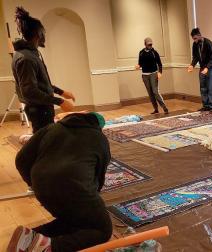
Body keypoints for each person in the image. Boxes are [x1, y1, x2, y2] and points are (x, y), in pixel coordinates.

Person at [8, 112, 112, 252]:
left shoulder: (50, 129)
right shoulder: (99, 138)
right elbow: (99, 177)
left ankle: (29, 237)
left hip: (42, 188)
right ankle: (50, 248)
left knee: (74, 219)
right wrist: (90, 199)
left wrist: (33, 183)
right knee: (102, 229)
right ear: (98, 127)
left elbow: (21, 160)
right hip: (75, 189)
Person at [12, 7, 75, 133]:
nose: (44, 35)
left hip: (42, 108)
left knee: (46, 141)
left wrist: (61, 92)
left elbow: (40, 83)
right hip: (39, 110)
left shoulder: (30, 54)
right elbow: (30, 91)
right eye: (43, 32)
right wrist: (60, 102)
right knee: (45, 143)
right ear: (38, 34)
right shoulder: (26, 58)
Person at [187, 28, 212, 113]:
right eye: (193, 39)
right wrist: (192, 65)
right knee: (203, 87)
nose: (195, 40)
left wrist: (207, 68)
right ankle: (206, 106)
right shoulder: (195, 44)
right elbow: (196, 57)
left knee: (210, 87)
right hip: (202, 68)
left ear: (200, 36)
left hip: (210, 68)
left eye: (195, 38)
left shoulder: (208, 43)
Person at [136, 37, 168, 115]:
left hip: (153, 73)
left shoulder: (154, 52)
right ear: (145, 44)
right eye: (148, 44)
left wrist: (160, 72)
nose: (150, 46)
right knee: (150, 93)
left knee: (155, 91)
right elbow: (140, 63)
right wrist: (138, 66)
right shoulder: (141, 53)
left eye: (151, 44)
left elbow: (159, 64)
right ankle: (156, 109)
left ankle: (164, 107)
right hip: (145, 75)